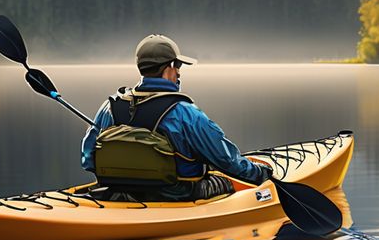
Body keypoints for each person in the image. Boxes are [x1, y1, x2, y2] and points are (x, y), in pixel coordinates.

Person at [80, 35, 271, 201]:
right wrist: (262, 174)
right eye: (178, 65)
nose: (179, 72)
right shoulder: (184, 113)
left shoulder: (111, 107)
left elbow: (88, 159)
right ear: (170, 66)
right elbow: (227, 161)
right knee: (226, 180)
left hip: (118, 192)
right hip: (177, 195)